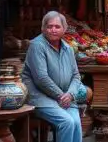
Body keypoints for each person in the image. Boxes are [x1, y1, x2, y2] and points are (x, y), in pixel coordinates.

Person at [21, 11, 83, 142]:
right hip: (41, 98)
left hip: (66, 98)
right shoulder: (37, 46)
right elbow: (41, 78)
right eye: (49, 26)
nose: (53, 30)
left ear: (64, 29)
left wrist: (70, 94)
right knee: (66, 122)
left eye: (57, 26)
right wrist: (61, 96)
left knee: (76, 123)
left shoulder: (68, 48)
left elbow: (76, 76)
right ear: (43, 28)